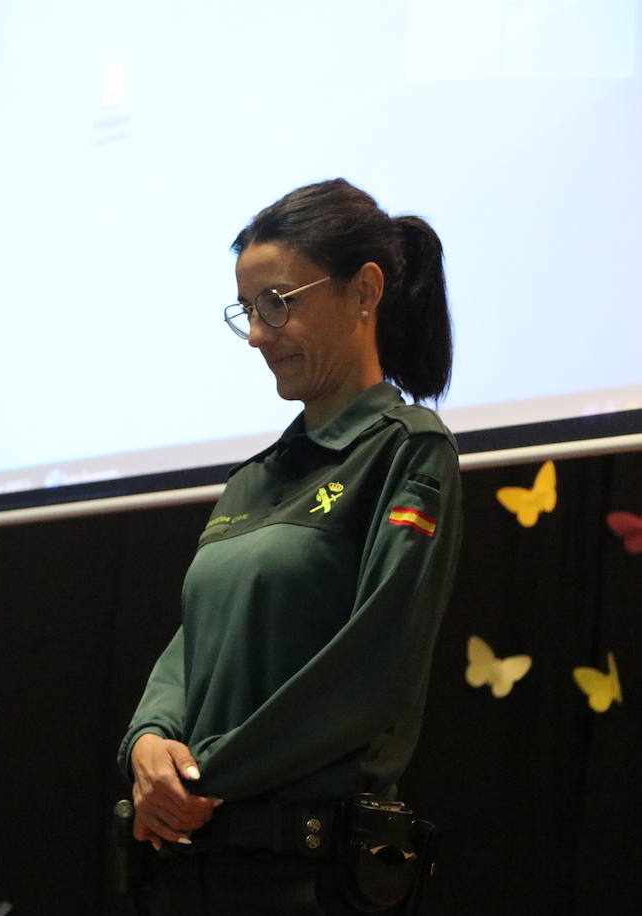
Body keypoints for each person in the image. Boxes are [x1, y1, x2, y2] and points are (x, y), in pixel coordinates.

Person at [118, 178, 463, 914]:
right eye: (247, 309)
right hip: (192, 866)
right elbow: (197, 638)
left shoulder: (406, 451)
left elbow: (374, 665)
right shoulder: (253, 479)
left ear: (364, 290)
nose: (257, 334)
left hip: (308, 878)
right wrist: (149, 742)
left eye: (279, 302)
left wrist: (199, 777)